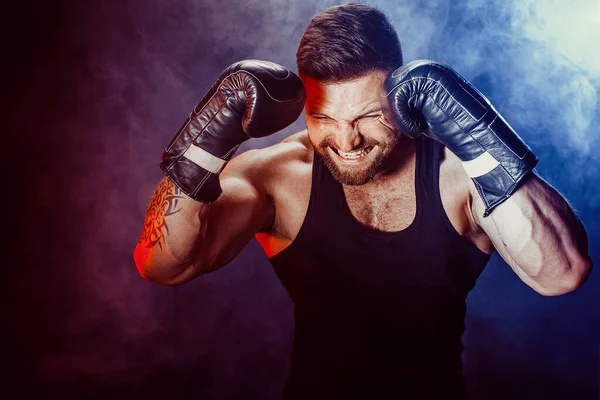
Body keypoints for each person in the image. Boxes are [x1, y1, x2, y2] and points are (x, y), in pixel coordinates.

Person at [133, 3, 592, 399]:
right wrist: (203, 144)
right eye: (323, 117)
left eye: (368, 115)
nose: (346, 139)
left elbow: (561, 275)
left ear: (399, 94)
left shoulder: (458, 174)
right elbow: (163, 265)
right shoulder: (277, 176)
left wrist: (478, 135)